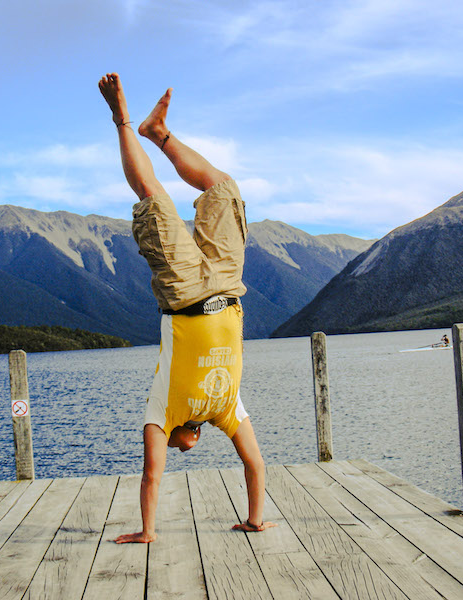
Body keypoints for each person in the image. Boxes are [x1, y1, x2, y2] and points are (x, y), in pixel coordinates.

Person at [98, 73, 276, 543]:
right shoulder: (226, 408)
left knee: (154, 197)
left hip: (183, 293)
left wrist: (147, 532)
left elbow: (151, 476)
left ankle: (124, 120)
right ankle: (160, 135)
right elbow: (254, 462)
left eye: (175, 447)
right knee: (224, 189)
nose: (182, 450)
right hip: (228, 286)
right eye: (183, 448)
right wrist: (255, 519)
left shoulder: (162, 409)